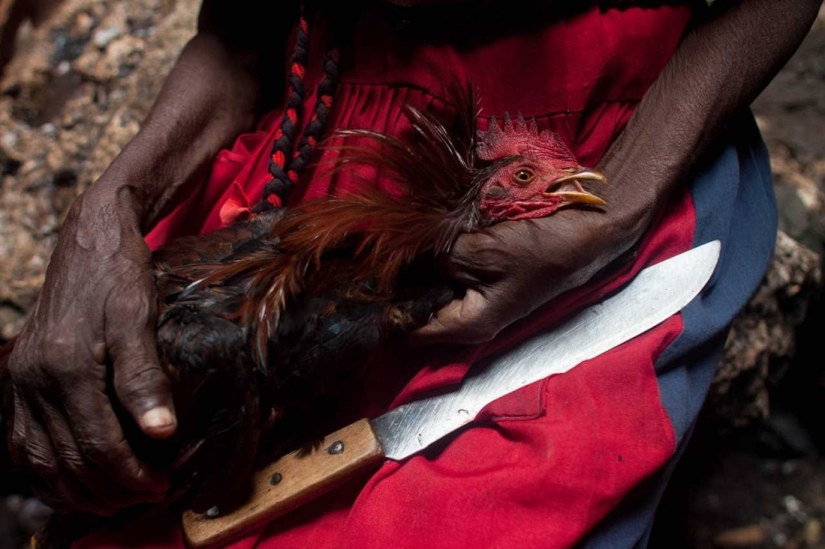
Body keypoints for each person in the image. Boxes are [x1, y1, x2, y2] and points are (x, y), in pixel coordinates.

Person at [4, 0, 820, 546]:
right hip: (333, 151)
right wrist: (108, 204)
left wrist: (620, 207)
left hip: (617, 152)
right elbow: (241, 29)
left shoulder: (580, 186)